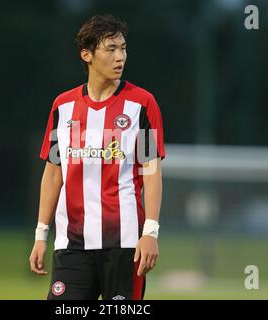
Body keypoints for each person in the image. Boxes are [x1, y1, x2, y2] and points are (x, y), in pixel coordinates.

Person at [29, 14, 166, 300]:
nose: (121, 57)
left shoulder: (141, 104)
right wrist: (41, 234)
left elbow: (151, 171)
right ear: (87, 55)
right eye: (111, 49)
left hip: (125, 242)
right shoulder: (62, 107)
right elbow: (54, 172)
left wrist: (150, 231)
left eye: (124, 48)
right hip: (72, 244)